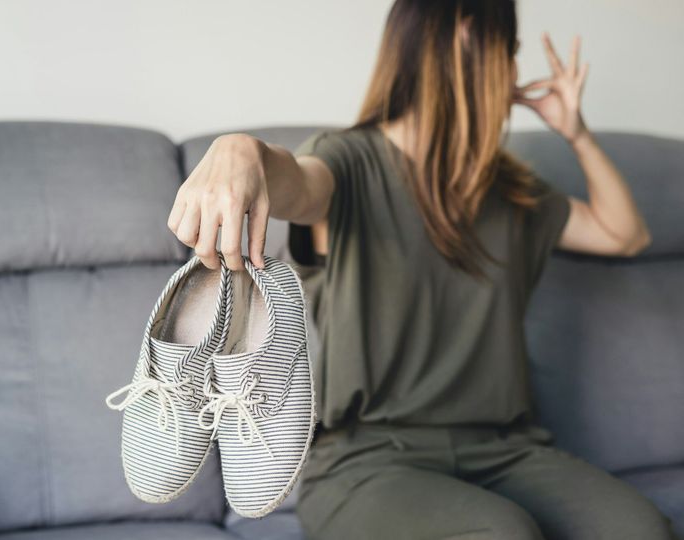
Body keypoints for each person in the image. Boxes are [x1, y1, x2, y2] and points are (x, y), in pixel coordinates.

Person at [166, 1, 677, 538]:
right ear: (465, 37)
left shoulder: (509, 190)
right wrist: (239, 151)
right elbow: (292, 183)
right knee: (500, 534)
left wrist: (575, 132)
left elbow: (627, 234)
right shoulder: (347, 161)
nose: (514, 71)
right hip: (368, 462)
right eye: (510, 51)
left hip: (508, 449)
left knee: (641, 529)